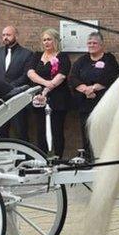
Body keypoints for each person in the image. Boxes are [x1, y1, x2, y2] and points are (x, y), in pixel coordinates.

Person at [69, 32, 119, 159]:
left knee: (103, 132)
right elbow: (73, 78)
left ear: (101, 45)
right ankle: (89, 159)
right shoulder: (82, 61)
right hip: (85, 104)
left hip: (103, 103)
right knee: (86, 133)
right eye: (89, 43)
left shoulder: (109, 59)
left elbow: (111, 76)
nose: (91, 45)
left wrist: (92, 88)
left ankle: (105, 159)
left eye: (95, 43)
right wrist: (85, 89)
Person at [26, 28, 71, 157]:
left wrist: (46, 90)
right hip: (39, 98)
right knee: (41, 129)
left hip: (57, 99)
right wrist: (46, 84)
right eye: (44, 39)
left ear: (55, 41)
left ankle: (57, 157)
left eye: (49, 39)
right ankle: (42, 157)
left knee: (57, 129)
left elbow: (61, 76)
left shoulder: (62, 57)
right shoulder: (36, 55)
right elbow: (30, 73)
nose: (46, 42)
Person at [0, 25, 34, 141]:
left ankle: (24, 158)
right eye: (4, 35)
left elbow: (26, 76)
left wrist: (9, 88)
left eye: (8, 35)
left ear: (16, 36)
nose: (5, 37)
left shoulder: (27, 54)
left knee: (20, 131)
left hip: (18, 99)